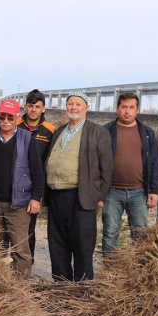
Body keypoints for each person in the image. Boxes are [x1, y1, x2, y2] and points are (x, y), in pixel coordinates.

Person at [0, 100, 45, 278]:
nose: (6, 120)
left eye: (10, 117)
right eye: (2, 116)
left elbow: (37, 171)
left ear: (17, 118)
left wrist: (36, 198)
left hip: (18, 205)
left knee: (20, 249)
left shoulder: (27, 139)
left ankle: (20, 290)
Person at [44, 92, 113, 282]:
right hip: (57, 196)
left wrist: (100, 197)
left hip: (81, 197)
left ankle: (83, 291)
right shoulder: (59, 131)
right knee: (57, 245)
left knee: (82, 246)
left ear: (86, 108)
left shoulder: (98, 132)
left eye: (78, 104)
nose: (73, 108)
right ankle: (62, 287)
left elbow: (107, 168)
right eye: (70, 104)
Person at [101, 93, 158, 255]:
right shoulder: (105, 131)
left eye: (131, 107)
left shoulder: (147, 133)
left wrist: (154, 191)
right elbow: (97, 163)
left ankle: (138, 269)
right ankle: (110, 269)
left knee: (140, 234)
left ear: (137, 110)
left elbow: (155, 162)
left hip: (139, 192)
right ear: (117, 108)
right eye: (124, 107)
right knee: (110, 232)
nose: (127, 111)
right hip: (112, 192)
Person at [15, 89, 56, 261]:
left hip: (34, 186)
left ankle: (28, 260)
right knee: (12, 224)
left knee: (29, 226)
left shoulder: (50, 130)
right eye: (30, 106)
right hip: (14, 183)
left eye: (37, 106)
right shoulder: (14, 124)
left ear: (43, 109)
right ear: (25, 107)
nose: (33, 110)